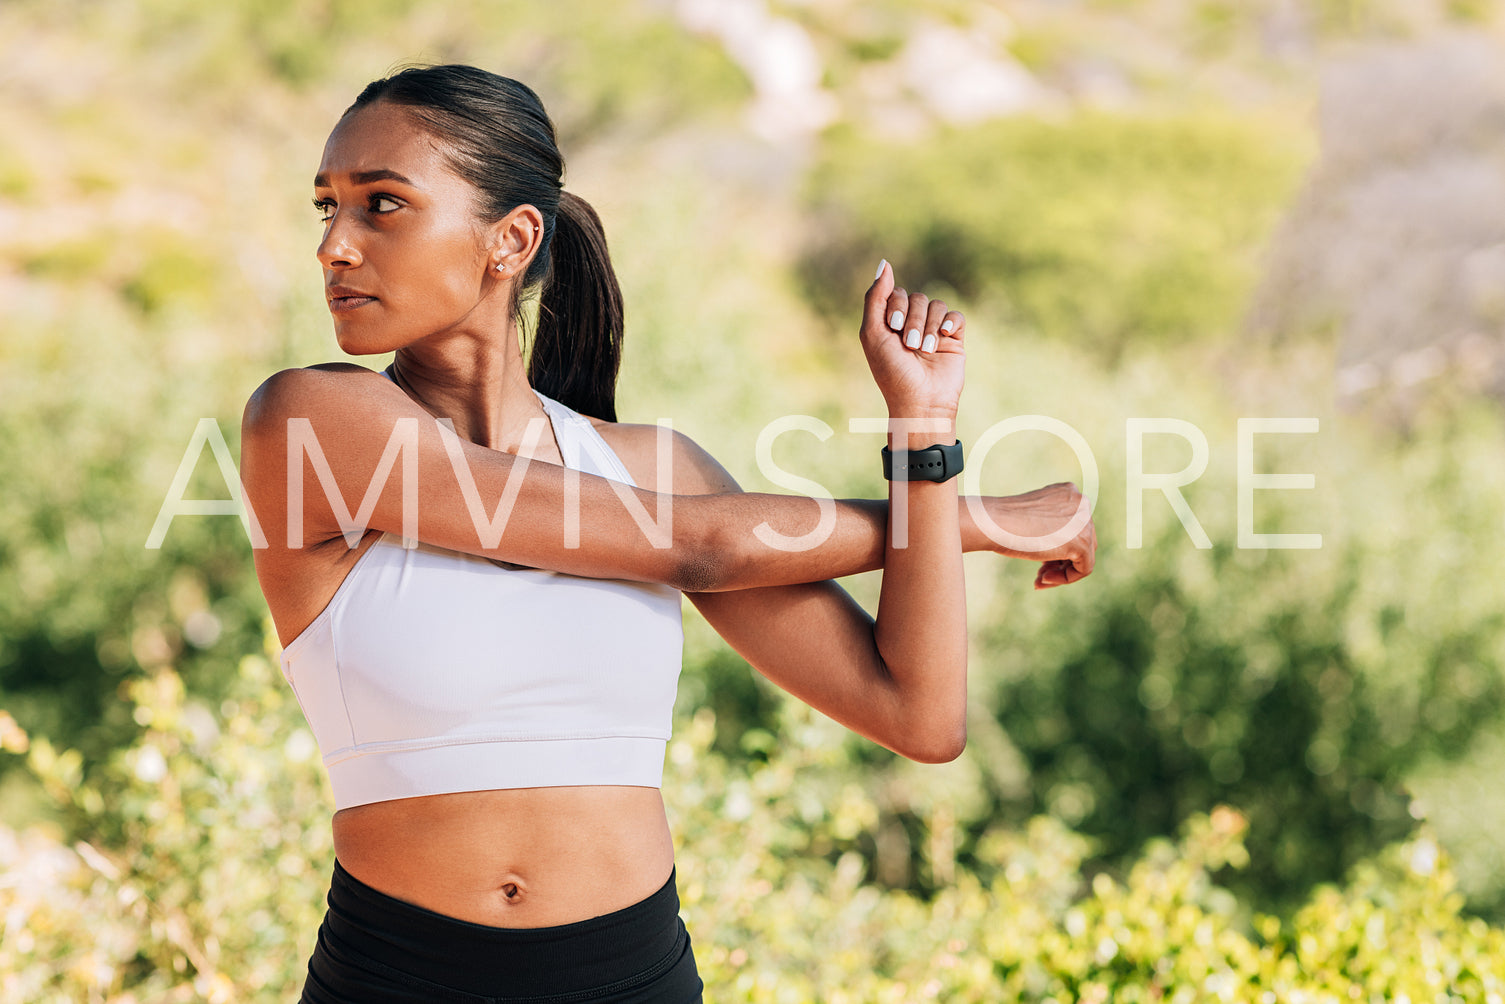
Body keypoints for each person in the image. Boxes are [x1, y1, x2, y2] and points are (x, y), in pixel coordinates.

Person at [240, 64, 1095, 1004]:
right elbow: (699, 548)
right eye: (326, 208)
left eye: (381, 205)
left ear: (510, 240)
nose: (333, 246)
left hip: (633, 979)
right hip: (397, 976)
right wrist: (974, 520)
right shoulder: (312, 422)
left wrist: (923, 432)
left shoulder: (649, 467)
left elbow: (918, 717)